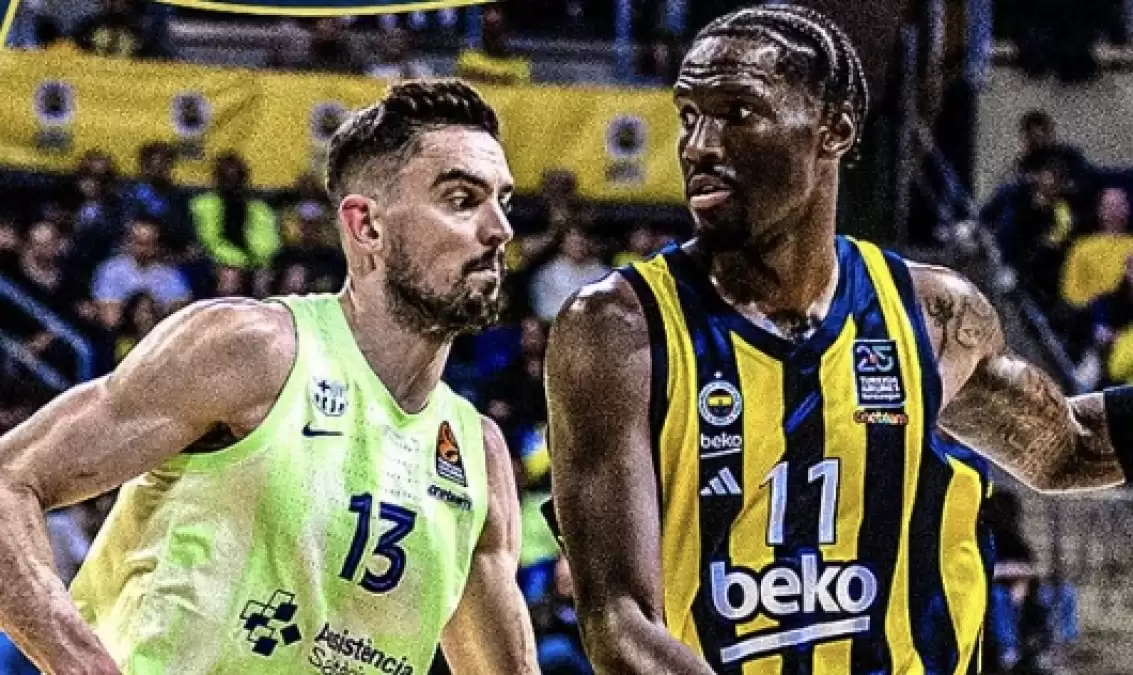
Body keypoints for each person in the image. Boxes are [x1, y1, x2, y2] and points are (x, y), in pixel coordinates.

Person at [544, 6, 1131, 675]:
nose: (699, 144)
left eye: (737, 112)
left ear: (835, 128)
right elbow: (618, 623)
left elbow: (1066, 448)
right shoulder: (617, 327)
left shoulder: (932, 314)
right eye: (689, 115)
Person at [0, 80, 538, 674]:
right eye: (462, 200)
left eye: (503, 202)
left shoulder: (477, 455)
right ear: (367, 227)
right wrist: (82, 666)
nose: (499, 230)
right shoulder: (254, 350)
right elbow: (8, 481)